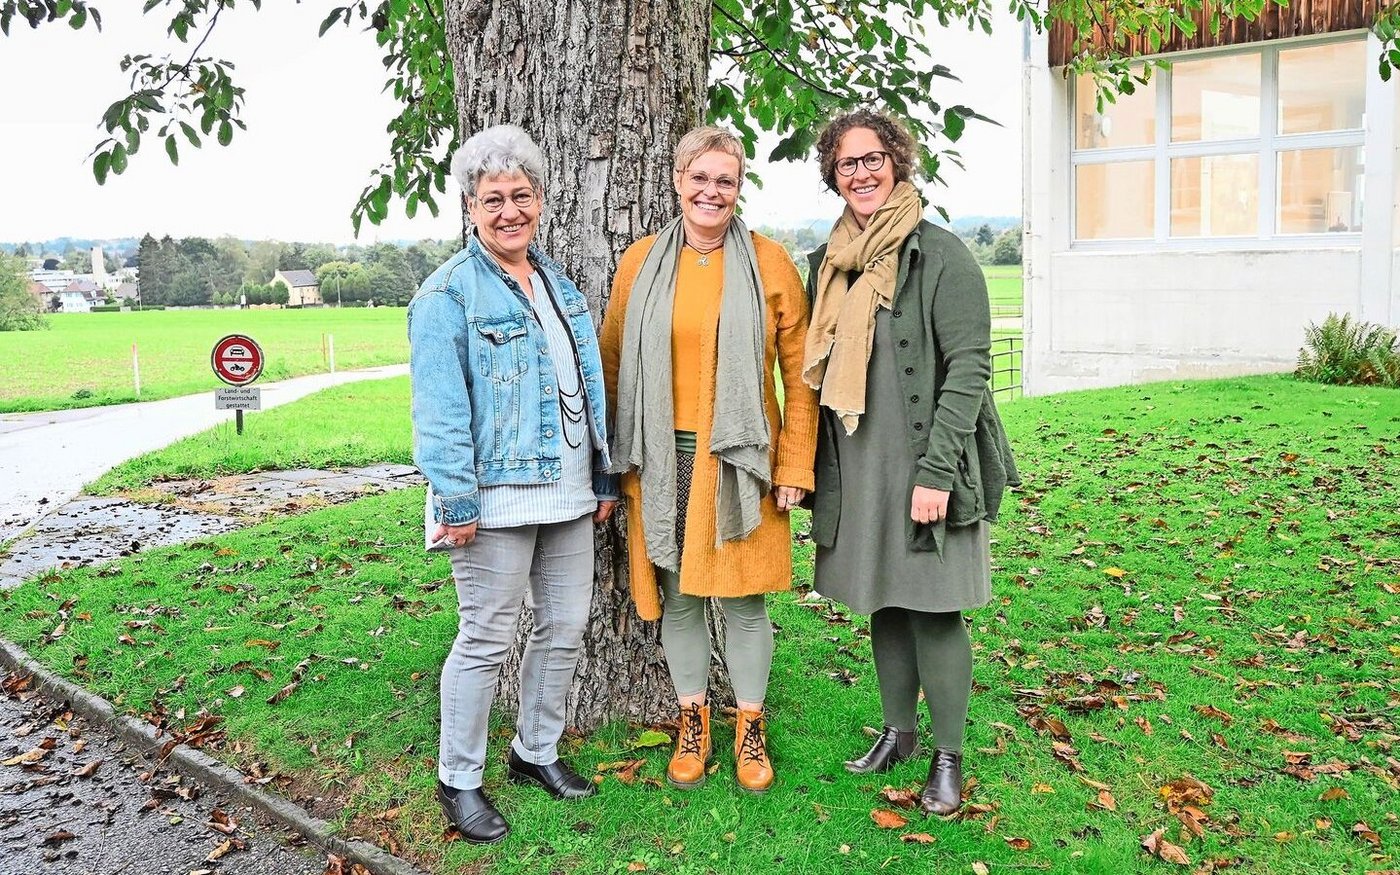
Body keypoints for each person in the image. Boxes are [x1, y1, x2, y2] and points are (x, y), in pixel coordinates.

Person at [802, 109, 1018, 816]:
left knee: (934, 606)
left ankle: (948, 755)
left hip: (930, 459)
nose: (861, 173)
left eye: (872, 159)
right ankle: (897, 731)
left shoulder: (940, 253)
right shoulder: (829, 263)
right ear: (833, 176)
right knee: (883, 599)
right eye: (846, 163)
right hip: (860, 460)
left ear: (896, 162)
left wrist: (936, 473)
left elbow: (970, 370)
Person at [408, 124, 617, 844]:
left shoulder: (558, 285)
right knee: (485, 638)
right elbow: (439, 413)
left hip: (568, 495)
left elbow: (584, 388)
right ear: (470, 206)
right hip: (491, 502)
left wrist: (602, 472)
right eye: (492, 198)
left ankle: (535, 751)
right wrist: (457, 502)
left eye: (520, 196)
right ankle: (458, 778)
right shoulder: (446, 295)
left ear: (539, 200)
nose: (508, 211)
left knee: (563, 629)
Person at [600, 126, 818, 794]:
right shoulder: (641, 262)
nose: (711, 191)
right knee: (681, 598)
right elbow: (611, 360)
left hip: (741, 459)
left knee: (746, 599)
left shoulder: (769, 261)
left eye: (725, 180)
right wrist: (610, 463)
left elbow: (800, 371)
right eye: (700, 178)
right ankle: (692, 718)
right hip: (664, 457)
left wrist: (795, 464)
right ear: (677, 179)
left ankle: (750, 727)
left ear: (739, 186)